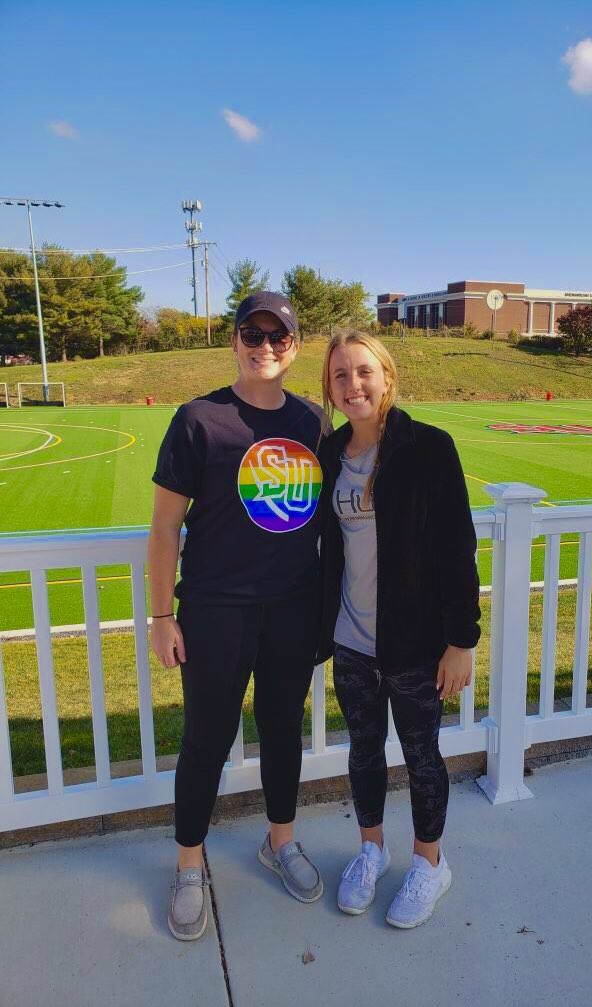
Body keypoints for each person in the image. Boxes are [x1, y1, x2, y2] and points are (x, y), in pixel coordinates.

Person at [148, 292, 325, 942]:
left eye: (278, 336)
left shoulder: (312, 422)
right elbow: (165, 525)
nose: (265, 346)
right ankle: (189, 862)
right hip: (215, 610)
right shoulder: (198, 419)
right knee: (207, 738)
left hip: (291, 608)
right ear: (235, 339)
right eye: (253, 333)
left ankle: (279, 839)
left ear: (294, 347)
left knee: (282, 732)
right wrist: (161, 614)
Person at [316, 331, 480, 929]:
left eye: (364, 372)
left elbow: (458, 550)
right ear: (329, 387)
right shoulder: (329, 453)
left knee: (421, 757)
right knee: (363, 751)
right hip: (351, 641)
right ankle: (371, 849)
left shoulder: (429, 448)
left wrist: (461, 640)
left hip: (415, 645)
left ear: (386, 377)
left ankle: (430, 863)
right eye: (340, 375)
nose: (353, 385)